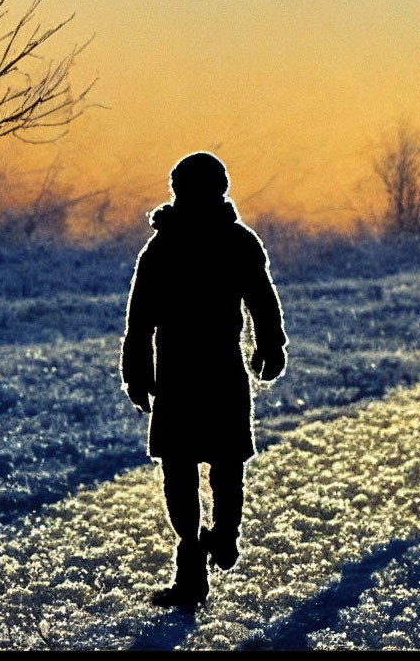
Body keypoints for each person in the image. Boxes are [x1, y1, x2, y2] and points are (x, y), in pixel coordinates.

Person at [120, 152, 287, 608]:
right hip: (194, 376)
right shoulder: (179, 246)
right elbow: (141, 320)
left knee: (204, 468)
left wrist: (271, 346)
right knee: (204, 468)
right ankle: (198, 560)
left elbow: (260, 300)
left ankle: (214, 544)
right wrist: (136, 373)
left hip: (200, 374)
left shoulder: (210, 244)